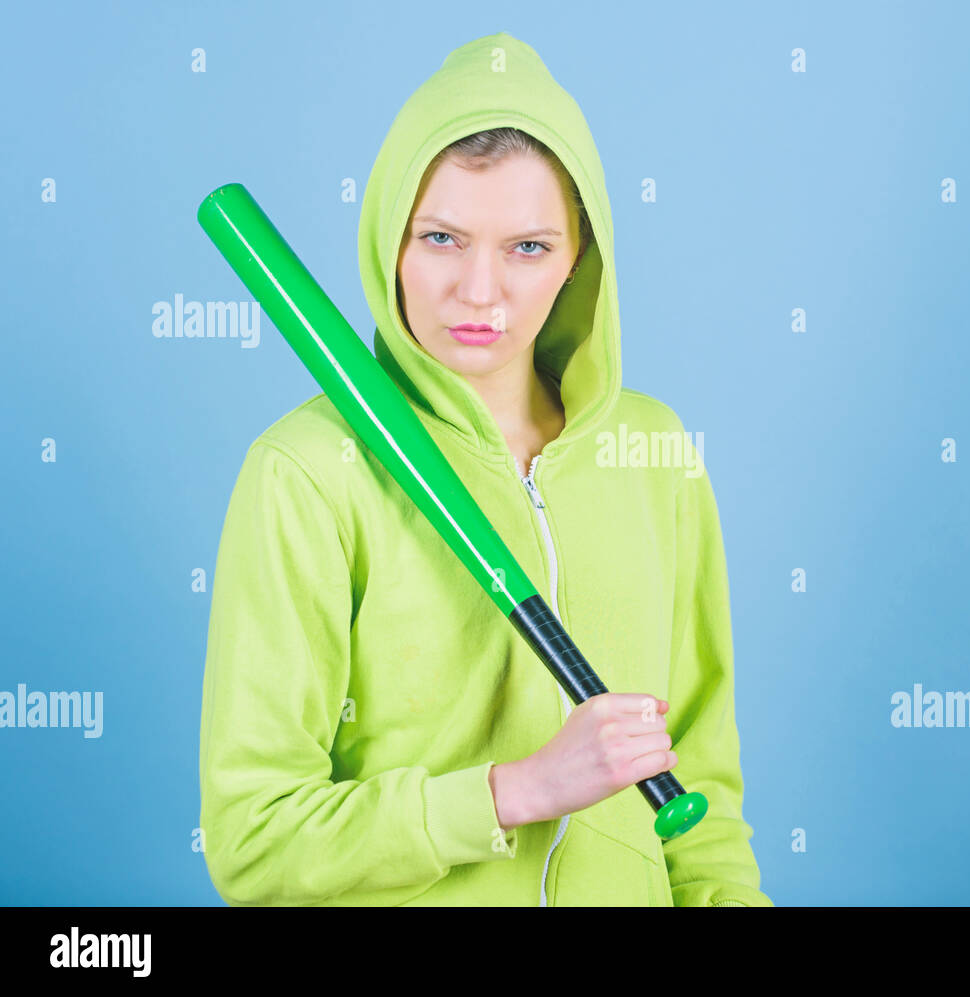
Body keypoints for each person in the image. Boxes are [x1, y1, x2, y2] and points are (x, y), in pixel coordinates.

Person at [198, 30, 771, 907]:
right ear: (390, 241)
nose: (480, 292)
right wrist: (517, 790)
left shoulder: (654, 454)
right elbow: (252, 841)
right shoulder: (308, 472)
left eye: (529, 247)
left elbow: (707, 811)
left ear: (581, 256)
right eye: (441, 238)